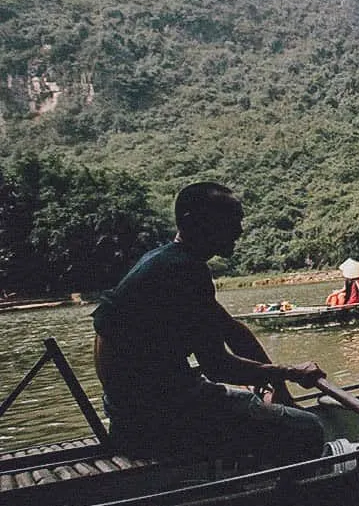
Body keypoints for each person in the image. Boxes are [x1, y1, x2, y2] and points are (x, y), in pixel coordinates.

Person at [91, 182, 326, 465]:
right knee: (308, 429)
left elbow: (233, 331)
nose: (239, 230)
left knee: (270, 411)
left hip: (130, 413)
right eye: (230, 220)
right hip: (153, 421)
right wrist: (292, 373)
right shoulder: (184, 271)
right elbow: (218, 366)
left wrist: (281, 388)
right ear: (194, 222)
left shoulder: (165, 260)